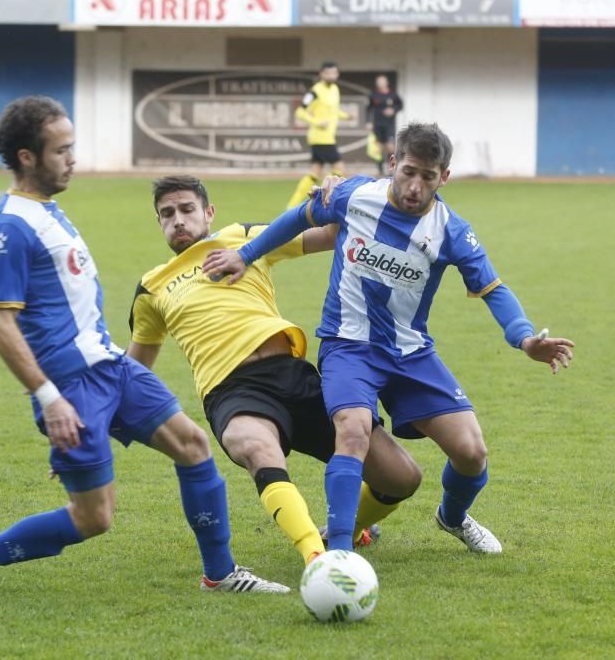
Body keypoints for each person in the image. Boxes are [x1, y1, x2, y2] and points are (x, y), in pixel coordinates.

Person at [0, 97, 288, 594]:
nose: (72, 158)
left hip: (111, 367)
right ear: (28, 157)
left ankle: (220, 575)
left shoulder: (47, 210)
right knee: (94, 517)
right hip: (71, 385)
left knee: (193, 445)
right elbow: (0, 327)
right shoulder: (10, 227)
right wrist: (51, 402)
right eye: (62, 150)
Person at [204, 123, 575, 554]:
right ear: (394, 163)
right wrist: (245, 255)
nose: (416, 186)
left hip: (411, 354)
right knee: (353, 430)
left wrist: (526, 339)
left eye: (429, 177)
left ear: (445, 178)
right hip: (348, 347)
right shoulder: (353, 196)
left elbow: (493, 289)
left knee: (472, 453)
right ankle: (339, 552)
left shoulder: (451, 230)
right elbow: (297, 218)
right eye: (409, 172)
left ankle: (452, 518)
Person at [127, 175, 421, 566]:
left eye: (186, 209)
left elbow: (334, 234)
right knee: (256, 448)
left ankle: (344, 531)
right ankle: (319, 559)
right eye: (167, 214)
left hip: (292, 374)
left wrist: (337, 192)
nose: (178, 220)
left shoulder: (243, 238)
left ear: (208, 213)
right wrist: (88, 432)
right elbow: (133, 373)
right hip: (231, 392)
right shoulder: (151, 287)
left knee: (401, 477)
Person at [286, 61, 350, 209]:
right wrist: (317, 122)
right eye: (328, 73)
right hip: (320, 138)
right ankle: (328, 201)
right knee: (340, 169)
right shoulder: (314, 91)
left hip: (328, 137)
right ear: (321, 74)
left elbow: (334, 111)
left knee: (315, 171)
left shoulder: (335, 89)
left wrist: (346, 116)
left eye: (334, 73)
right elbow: (300, 111)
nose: (331, 76)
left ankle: (292, 204)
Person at [366, 75, 403, 176]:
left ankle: (391, 170)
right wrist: (368, 122)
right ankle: (380, 171)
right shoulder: (373, 95)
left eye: (382, 81)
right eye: (378, 81)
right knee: (378, 149)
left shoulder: (393, 95)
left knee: (390, 148)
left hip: (389, 125)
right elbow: (368, 109)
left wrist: (393, 110)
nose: (380, 83)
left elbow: (400, 105)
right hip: (377, 125)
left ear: (386, 83)